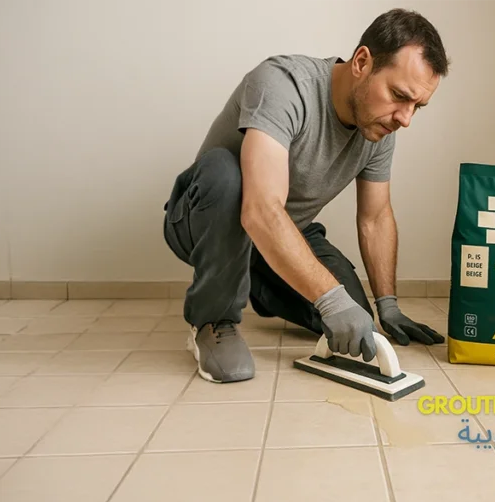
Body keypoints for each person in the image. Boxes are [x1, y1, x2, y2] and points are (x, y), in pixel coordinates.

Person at [162, 8, 449, 383]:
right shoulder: (283, 84)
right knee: (226, 173)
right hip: (204, 219)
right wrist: (328, 297)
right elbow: (262, 209)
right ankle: (213, 320)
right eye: (399, 96)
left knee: (356, 319)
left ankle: (257, 284)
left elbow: (375, 217)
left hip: (278, 235)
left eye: (417, 106)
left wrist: (387, 305)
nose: (405, 118)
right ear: (362, 61)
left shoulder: (379, 127)